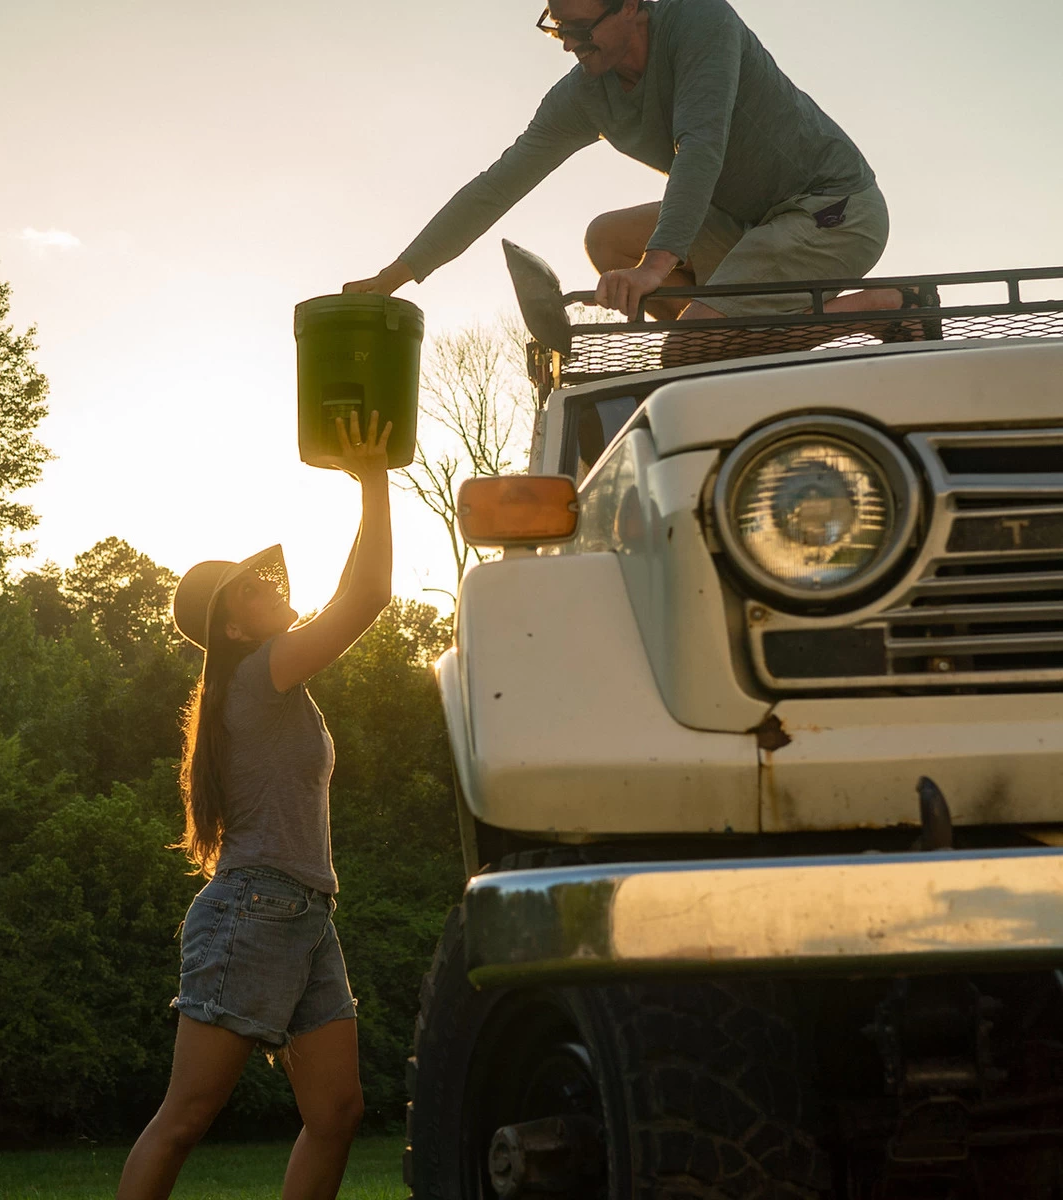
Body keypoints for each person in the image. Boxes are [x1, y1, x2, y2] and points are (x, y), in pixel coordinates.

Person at [117, 411, 393, 1200]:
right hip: (255, 910)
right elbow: (368, 593)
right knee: (186, 1116)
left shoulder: (269, 683)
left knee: (337, 1112)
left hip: (303, 913)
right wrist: (373, 478)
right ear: (232, 624)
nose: (275, 585)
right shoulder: (262, 671)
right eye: (255, 585)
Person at [346, 0, 936, 357]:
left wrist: (657, 266)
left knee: (690, 352)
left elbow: (700, 145)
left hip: (830, 210)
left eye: (583, 28)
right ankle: (726, 340)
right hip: (742, 222)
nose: (572, 46)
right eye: (558, 29)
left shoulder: (701, 23)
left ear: (632, 5)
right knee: (606, 240)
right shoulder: (583, 95)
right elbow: (496, 184)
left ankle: (884, 306)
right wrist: (395, 275)